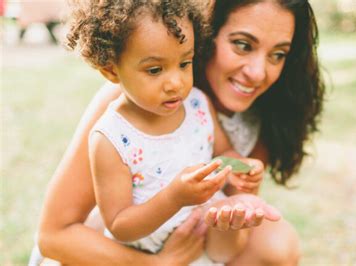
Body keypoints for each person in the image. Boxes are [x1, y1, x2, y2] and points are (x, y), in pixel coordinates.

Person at [37, 0, 324, 265]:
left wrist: (244, 179)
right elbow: (57, 235)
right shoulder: (121, 115)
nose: (259, 73)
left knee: (275, 242)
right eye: (242, 45)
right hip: (113, 250)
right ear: (209, 35)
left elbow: (228, 177)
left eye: (278, 54)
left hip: (193, 234)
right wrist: (157, 263)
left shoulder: (218, 106)